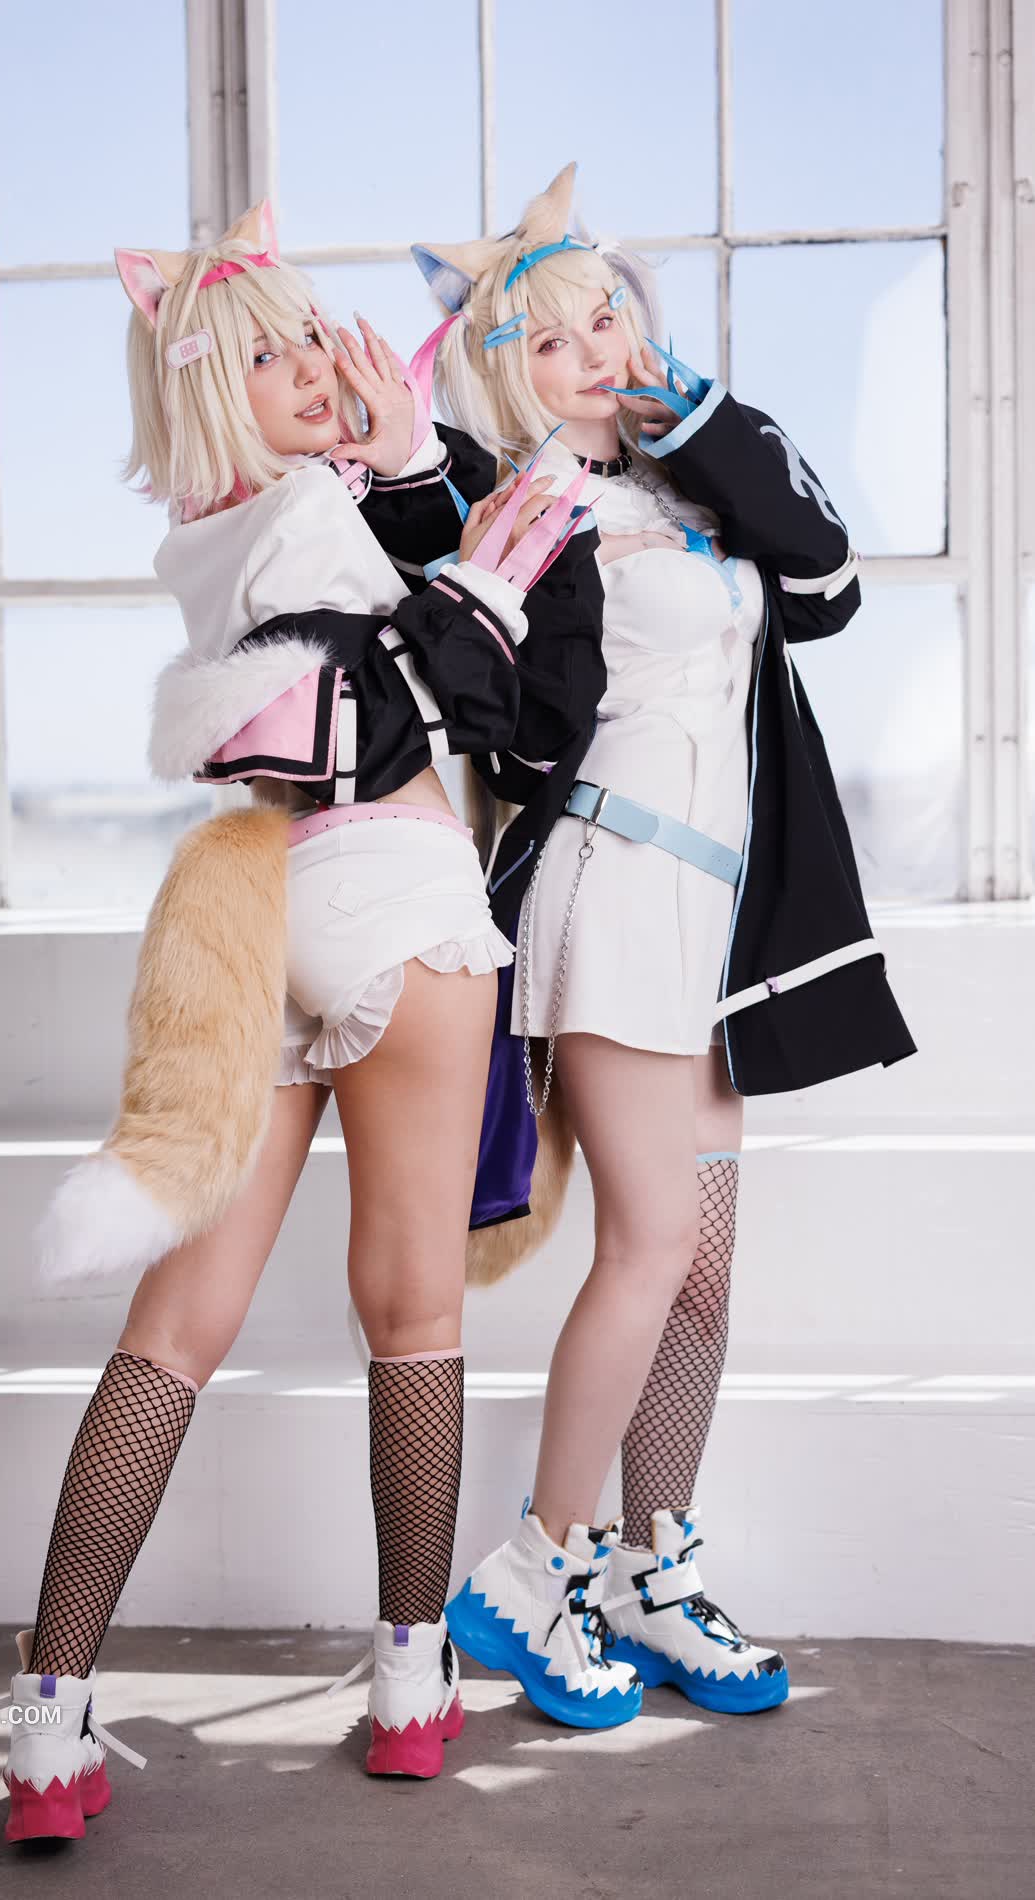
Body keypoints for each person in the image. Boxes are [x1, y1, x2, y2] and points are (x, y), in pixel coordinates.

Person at [0, 196, 611, 1840]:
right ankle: (412, 1686)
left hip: (269, 915)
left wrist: (402, 481)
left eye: (316, 341)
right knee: (414, 1319)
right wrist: (481, 562)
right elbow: (415, 705)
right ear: (218, 388)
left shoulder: (210, 534)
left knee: (170, 1332)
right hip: (398, 897)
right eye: (274, 358)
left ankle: (47, 1722)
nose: (320, 369)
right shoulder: (307, 518)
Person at [410, 163, 915, 1719]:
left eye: (606, 321)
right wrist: (485, 539)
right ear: (510, 371)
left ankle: (649, 1567)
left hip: (715, 918)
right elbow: (498, 702)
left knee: (702, 1271)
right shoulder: (525, 505)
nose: (592, 355)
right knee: (650, 1249)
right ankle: (532, 1573)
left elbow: (827, 579)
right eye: (553, 340)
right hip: (616, 889)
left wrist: (692, 417)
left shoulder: (691, 487)